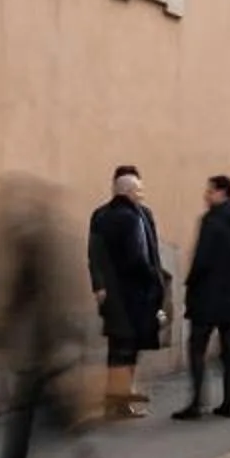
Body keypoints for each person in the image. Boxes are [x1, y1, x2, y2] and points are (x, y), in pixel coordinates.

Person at [0, 174, 81, 458]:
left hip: (39, 346)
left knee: (46, 408)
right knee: (24, 419)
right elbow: (34, 296)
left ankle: (83, 456)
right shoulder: (35, 240)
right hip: (37, 347)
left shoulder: (26, 238)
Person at [85, 166, 163, 419]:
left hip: (133, 292)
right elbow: (94, 254)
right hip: (125, 293)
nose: (142, 194)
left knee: (129, 346)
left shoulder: (144, 214)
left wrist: (156, 279)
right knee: (121, 347)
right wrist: (99, 285)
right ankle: (117, 401)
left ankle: (121, 398)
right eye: (138, 190)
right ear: (127, 191)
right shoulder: (103, 216)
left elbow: (152, 250)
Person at [173, 175, 230, 421]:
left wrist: (190, 284)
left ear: (222, 192)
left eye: (210, 191)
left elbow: (202, 259)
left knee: (197, 348)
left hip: (207, 294)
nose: (206, 195)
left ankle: (197, 402)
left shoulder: (212, 221)